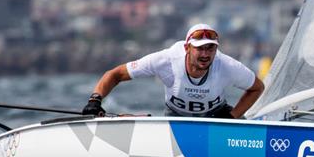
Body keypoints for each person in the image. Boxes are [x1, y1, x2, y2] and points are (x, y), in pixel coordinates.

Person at [82, 23, 264, 118]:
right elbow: (115, 74)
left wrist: (232, 116)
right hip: (176, 118)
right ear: (187, 48)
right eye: (200, 48)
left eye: (210, 48)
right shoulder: (166, 60)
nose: (206, 54)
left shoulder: (227, 66)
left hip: (216, 117)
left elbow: (257, 87)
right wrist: (95, 100)